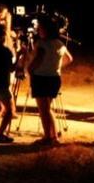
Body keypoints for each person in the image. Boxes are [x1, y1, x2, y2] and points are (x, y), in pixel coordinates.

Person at [26, 16, 73, 145]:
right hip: (54, 78)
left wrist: (30, 72)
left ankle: (50, 137)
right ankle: (53, 136)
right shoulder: (59, 43)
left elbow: (36, 62)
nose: (38, 31)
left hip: (41, 78)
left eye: (40, 28)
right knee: (48, 109)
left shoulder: (42, 44)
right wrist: (56, 67)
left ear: (46, 30)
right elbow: (69, 58)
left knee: (44, 110)